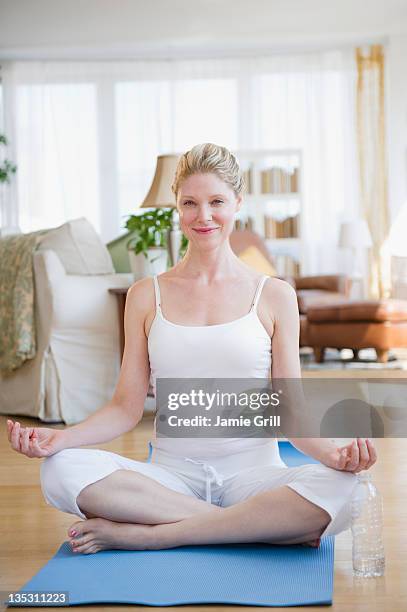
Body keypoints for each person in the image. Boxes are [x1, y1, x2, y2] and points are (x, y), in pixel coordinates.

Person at [7, 143, 377, 555]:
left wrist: (336, 455)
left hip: (253, 476)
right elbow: (125, 408)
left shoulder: (274, 295)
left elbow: (291, 411)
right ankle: (252, 526)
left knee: (349, 488)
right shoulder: (145, 295)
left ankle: (154, 534)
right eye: (190, 203)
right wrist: (60, 439)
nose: (203, 216)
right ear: (177, 208)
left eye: (216, 201)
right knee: (60, 470)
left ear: (238, 202)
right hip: (171, 479)